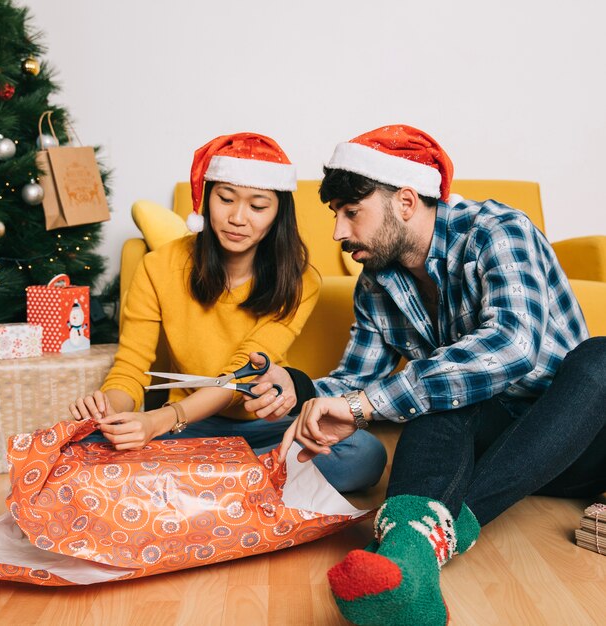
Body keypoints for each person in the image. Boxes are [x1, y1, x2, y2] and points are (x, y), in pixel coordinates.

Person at [244, 125, 606, 625]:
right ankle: (405, 578)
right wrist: (299, 388)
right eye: (336, 215)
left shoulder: (499, 231)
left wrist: (367, 404)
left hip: (581, 442)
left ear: (407, 202)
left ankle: (418, 541)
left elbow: (513, 345)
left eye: (352, 213)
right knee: (438, 394)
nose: (338, 233)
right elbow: (357, 380)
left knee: (601, 358)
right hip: (498, 451)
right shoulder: (376, 284)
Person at [69, 132, 387, 493]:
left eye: (257, 206)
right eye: (225, 199)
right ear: (207, 199)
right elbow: (130, 367)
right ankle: (238, 482)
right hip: (188, 427)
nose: (237, 218)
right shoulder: (158, 266)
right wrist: (108, 408)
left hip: (262, 425)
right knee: (85, 446)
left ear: (277, 213)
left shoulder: (298, 279)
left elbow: (240, 377)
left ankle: (194, 480)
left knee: (363, 454)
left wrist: (160, 421)